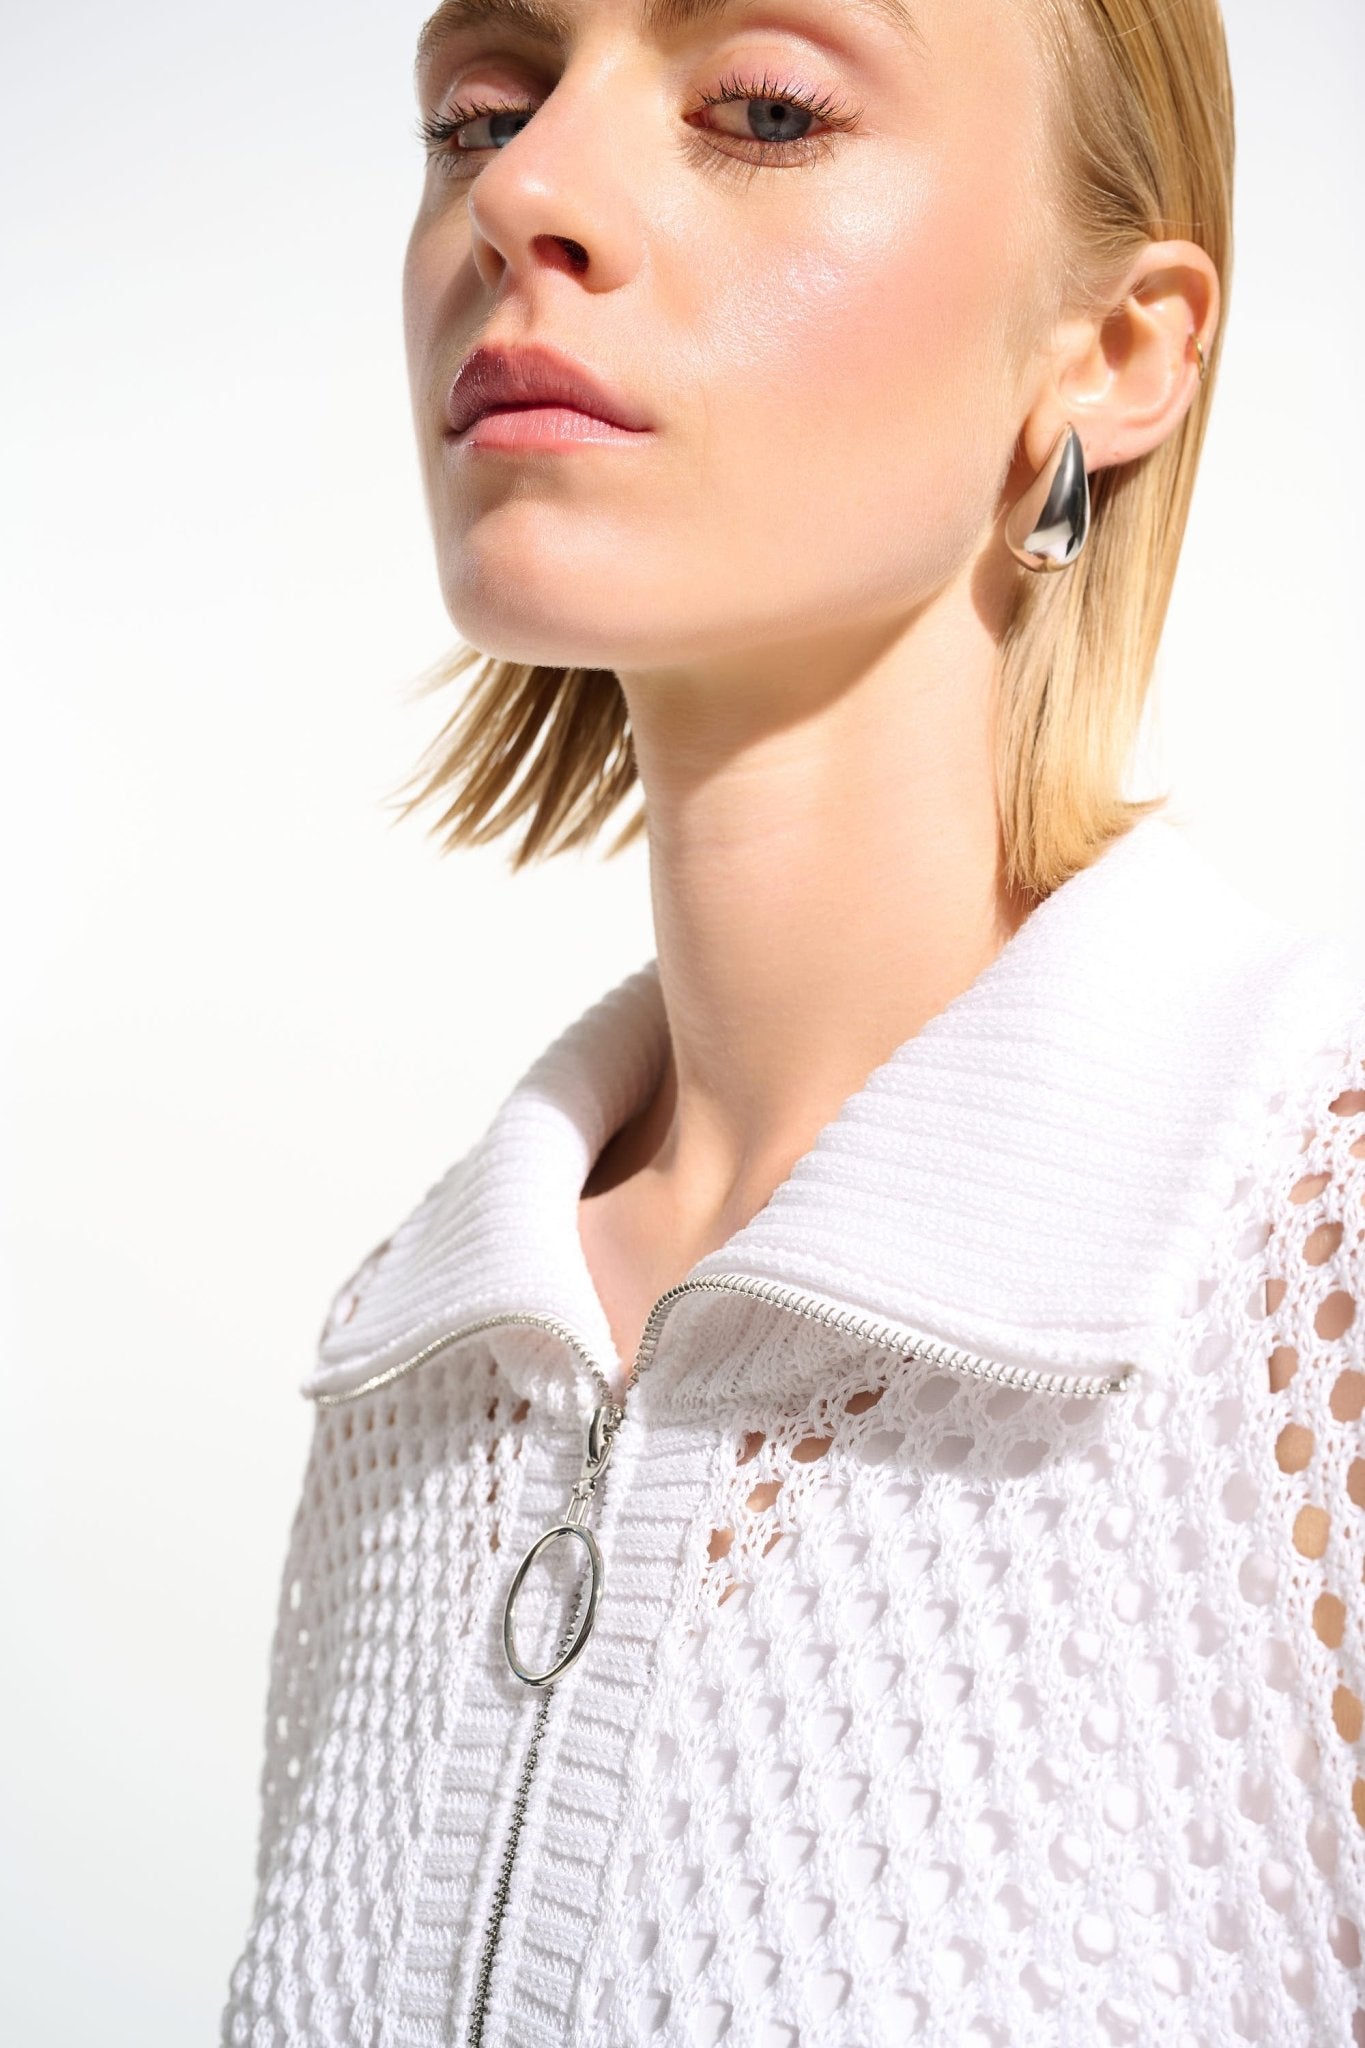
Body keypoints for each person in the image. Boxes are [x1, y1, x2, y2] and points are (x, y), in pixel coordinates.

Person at [222, 1, 1365, 2041]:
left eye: (759, 108)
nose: (525, 189)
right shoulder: (410, 1362)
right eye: (477, 109)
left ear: (1112, 353)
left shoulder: (1315, 1280)